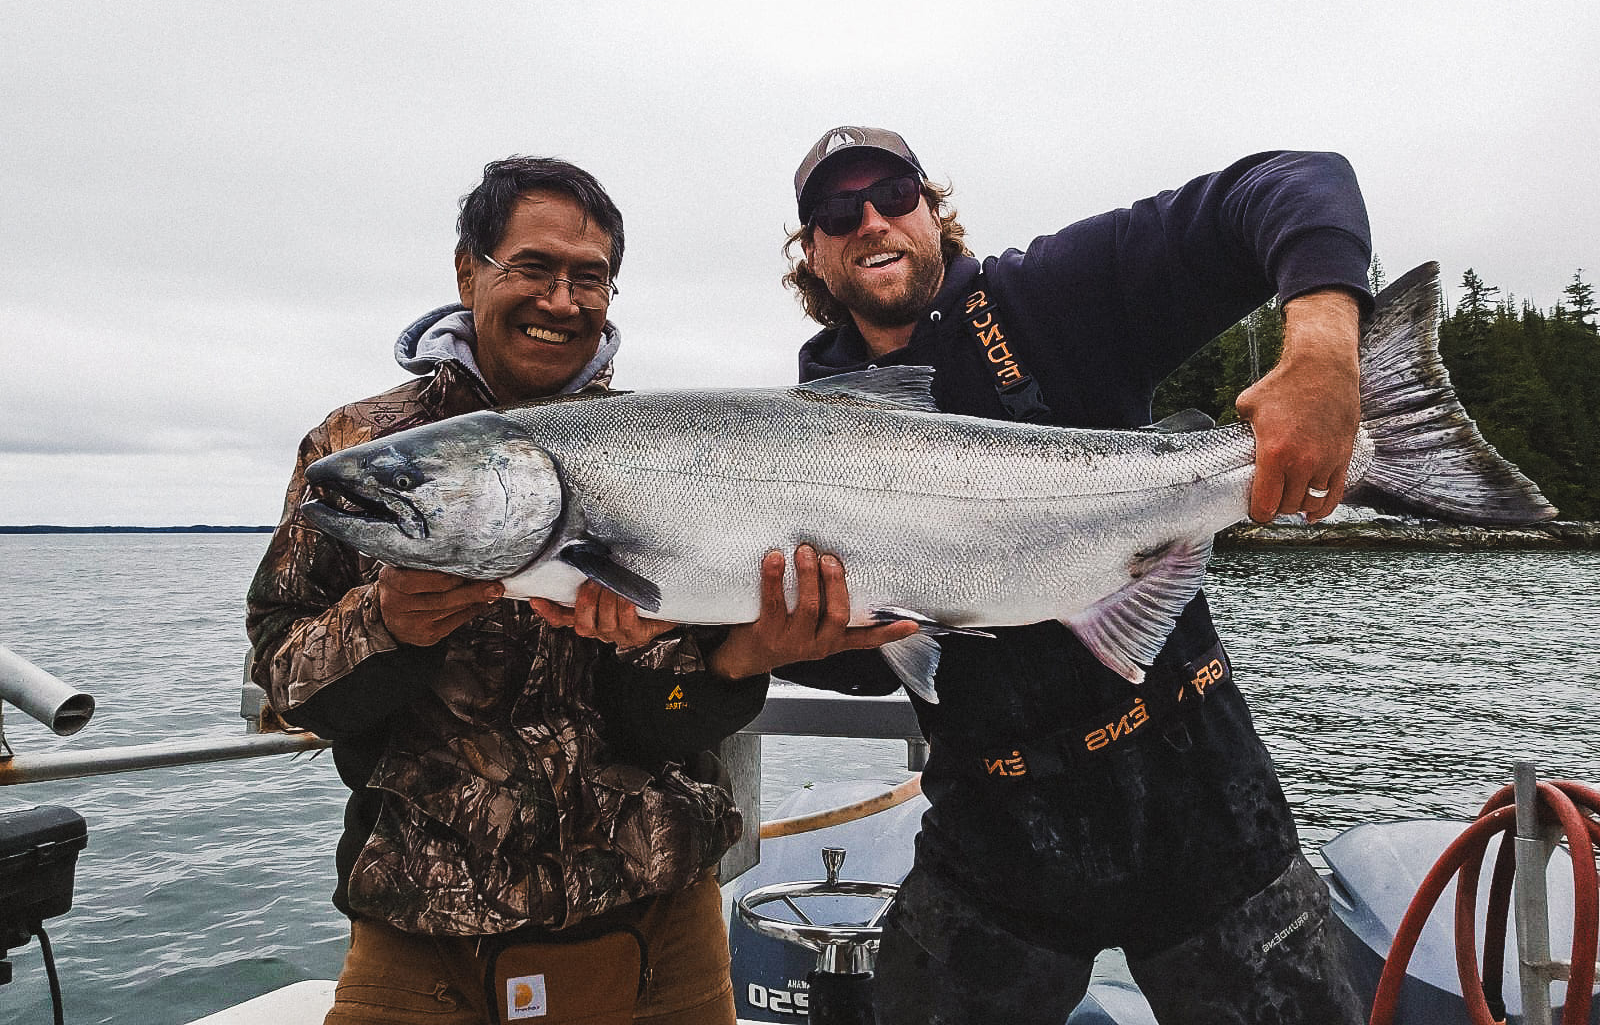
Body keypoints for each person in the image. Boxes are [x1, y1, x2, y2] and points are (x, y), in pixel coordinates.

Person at [246, 155, 911, 1025]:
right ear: (468, 272)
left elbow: (673, 721)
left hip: (662, 927)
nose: (561, 301)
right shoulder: (359, 452)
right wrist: (387, 623)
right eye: (532, 267)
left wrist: (739, 657)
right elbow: (286, 682)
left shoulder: (673, 452)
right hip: (423, 934)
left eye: (589, 278)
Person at [776, 126, 1372, 1024]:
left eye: (893, 194)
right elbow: (868, 669)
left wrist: (1323, 343)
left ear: (932, 209)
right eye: (835, 210)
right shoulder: (801, 434)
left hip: (1200, 788)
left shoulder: (1056, 295)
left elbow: (1296, 179)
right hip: (991, 826)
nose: (870, 221)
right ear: (812, 253)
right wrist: (806, 639)